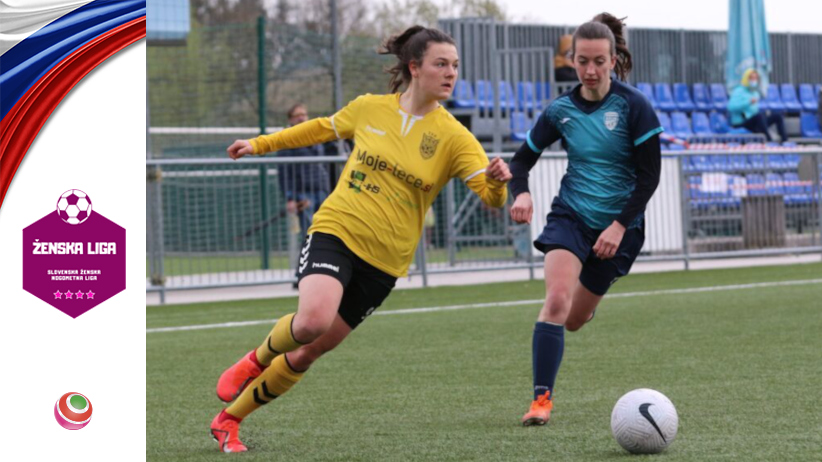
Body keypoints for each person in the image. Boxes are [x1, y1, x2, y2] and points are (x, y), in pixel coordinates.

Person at [211, 25, 512, 453]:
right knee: (312, 321)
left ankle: (229, 421)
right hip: (337, 229)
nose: (451, 73)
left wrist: (498, 183)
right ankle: (254, 361)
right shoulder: (370, 108)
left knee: (308, 352)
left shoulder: (455, 137)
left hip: (385, 263)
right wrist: (260, 144)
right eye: (441, 64)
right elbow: (317, 129)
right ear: (414, 68)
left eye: (456, 66)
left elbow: (491, 196)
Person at [508, 13, 663, 426]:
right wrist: (521, 191)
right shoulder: (560, 110)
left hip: (621, 228)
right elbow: (521, 161)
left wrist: (618, 225)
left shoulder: (634, 106)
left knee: (574, 320)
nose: (590, 70)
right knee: (556, 300)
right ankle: (541, 402)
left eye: (598, 61)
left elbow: (649, 177)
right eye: (582, 61)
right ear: (571, 61)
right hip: (571, 217)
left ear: (613, 60)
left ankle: (585, 309)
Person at [278, 103, 336, 239]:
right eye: (297, 115)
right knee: (309, 234)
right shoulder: (286, 139)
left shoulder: (316, 136)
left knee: (324, 232)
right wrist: (290, 198)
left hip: (322, 191)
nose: (301, 118)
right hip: (303, 195)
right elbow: (284, 172)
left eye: (303, 114)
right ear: (290, 120)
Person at [728, 69, 787, 142]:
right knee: (759, 116)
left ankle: (784, 141)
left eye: (756, 78)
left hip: (754, 122)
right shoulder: (738, 91)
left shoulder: (755, 93)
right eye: (752, 78)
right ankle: (769, 141)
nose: (754, 80)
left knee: (777, 116)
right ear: (746, 79)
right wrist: (748, 102)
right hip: (741, 123)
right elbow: (731, 107)